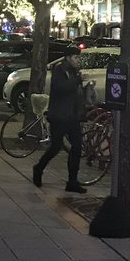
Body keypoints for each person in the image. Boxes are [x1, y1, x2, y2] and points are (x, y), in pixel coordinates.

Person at [32, 48, 86, 193]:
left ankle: (72, 181)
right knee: (56, 147)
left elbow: (76, 92)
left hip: (72, 116)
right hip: (60, 116)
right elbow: (60, 88)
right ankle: (39, 168)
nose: (77, 60)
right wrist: (77, 81)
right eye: (75, 57)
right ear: (68, 58)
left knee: (77, 147)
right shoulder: (60, 70)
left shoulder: (74, 71)